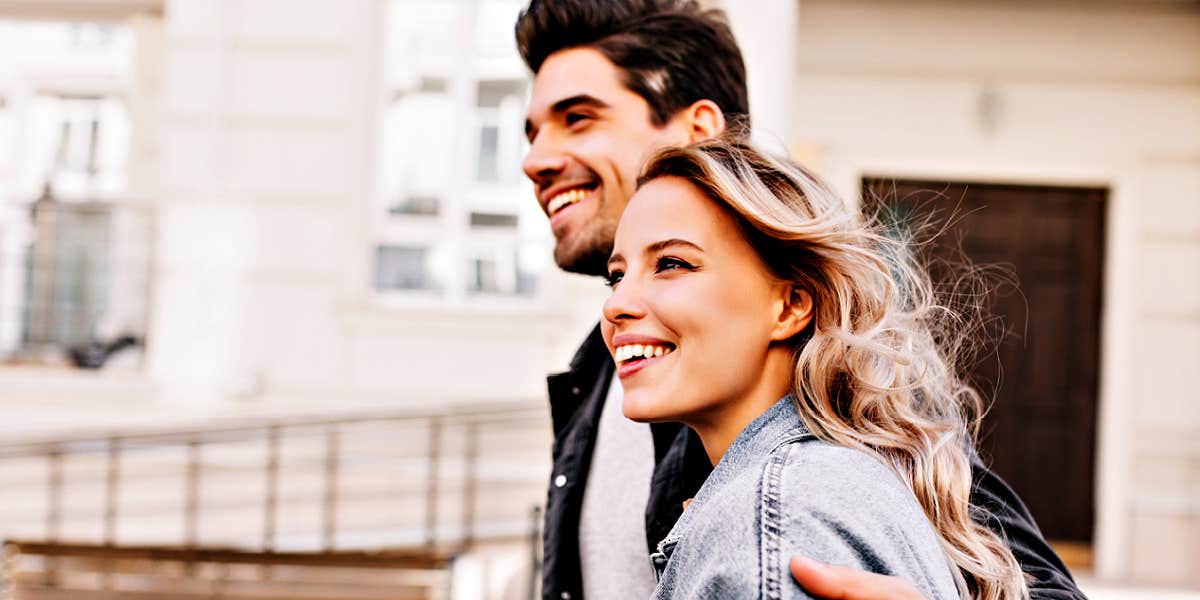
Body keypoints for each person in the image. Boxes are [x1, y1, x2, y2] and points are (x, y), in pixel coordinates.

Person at [515, 1, 1084, 599]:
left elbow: (1034, 582)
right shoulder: (605, 370)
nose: (535, 160)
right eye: (617, 277)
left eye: (577, 118)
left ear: (700, 132)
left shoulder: (841, 379)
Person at [602, 137, 1024, 599]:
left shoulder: (772, 524)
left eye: (671, 263)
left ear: (789, 306)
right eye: (617, 276)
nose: (617, 304)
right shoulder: (828, 481)